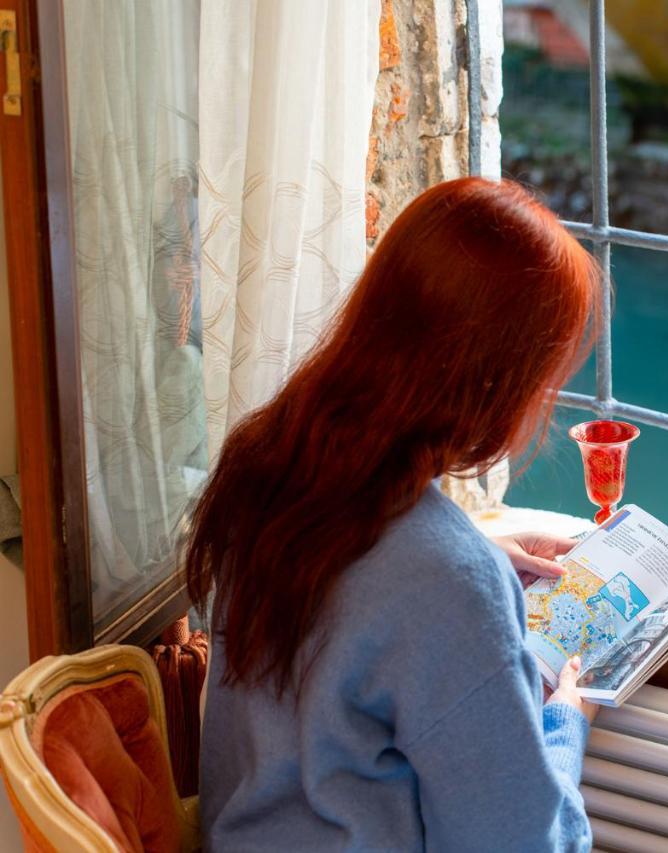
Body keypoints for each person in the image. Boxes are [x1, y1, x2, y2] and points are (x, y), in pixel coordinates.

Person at [186, 177, 601, 851]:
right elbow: (527, 843)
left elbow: (356, 612)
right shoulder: (445, 582)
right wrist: (563, 723)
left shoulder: (266, 464)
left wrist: (476, 548)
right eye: (545, 376)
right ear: (496, 378)